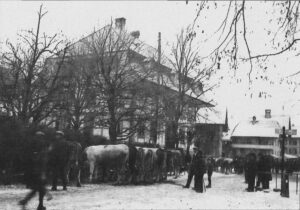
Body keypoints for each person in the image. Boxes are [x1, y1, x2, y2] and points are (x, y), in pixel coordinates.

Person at [19, 131, 52, 210]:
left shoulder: (31, 146)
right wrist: (43, 173)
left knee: (38, 189)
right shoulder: (42, 148)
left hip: (32, 171)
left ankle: (38, 204)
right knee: (39, 188)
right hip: (39, 172)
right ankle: (28, 202)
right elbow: (42, 161)